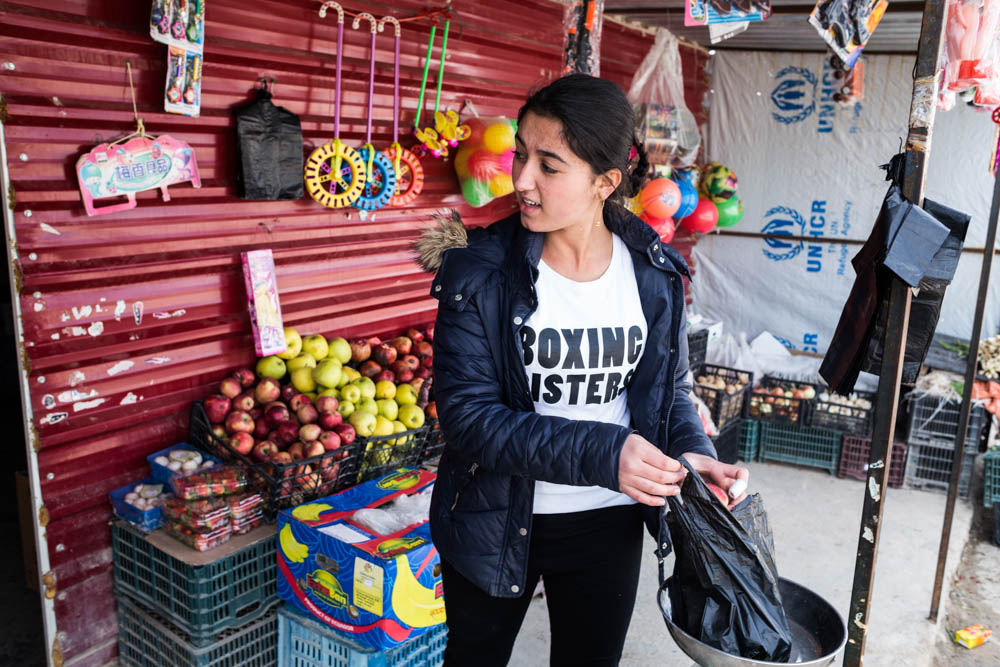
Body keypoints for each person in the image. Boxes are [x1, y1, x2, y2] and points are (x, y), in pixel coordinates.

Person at [416, 74, 750, 667]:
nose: (521, 179)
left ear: (605, 181)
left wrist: (692, 454)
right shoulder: (479, 274)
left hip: (607, 522)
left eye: (549, 164)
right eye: (521, 153)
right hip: (492, 517)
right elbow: (469, 420)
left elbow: (667, 389)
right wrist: (606, 452)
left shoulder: (652, 273)